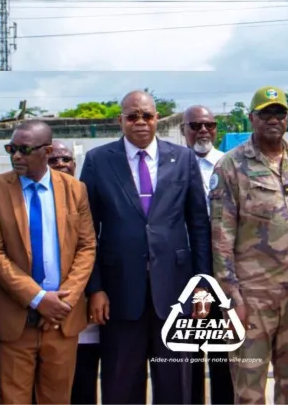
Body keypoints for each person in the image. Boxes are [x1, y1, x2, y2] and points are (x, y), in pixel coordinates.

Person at [81, 91, 211, 405]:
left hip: (177, 292)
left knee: (175, 384)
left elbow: (198, 225)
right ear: (121, 120)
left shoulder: (182, 158)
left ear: (157, 119)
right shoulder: (98, 160)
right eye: (132, 116)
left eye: (147, 116)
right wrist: (95, 288)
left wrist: (203, 287)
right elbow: (86, 231)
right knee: (121, 383)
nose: (141, 122)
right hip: (119, 293)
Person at [210, 86, 288, 404]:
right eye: (266, 113)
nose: (274, 119)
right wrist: (232, 299)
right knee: (248, 389)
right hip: (252, 297)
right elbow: (221, 238)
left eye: (280, 113)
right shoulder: (231, 166)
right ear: (252, 118)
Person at [0, 121, 96, 405]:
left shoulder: (74, 189)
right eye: (12, 149)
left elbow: (87, 246)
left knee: (57, 399)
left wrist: (63, 300)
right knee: (14, 400)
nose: (16, 156)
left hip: (62, 320)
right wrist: (38, 298)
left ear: (47, 150)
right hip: (16, 321)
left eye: (25, 150)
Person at [180, 106, 233, 405]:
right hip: (186, 275)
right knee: (187, 356)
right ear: (183, 130)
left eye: (209, 125)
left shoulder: (229, 165)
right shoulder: (171, 165)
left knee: (224, 355)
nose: (203, 131)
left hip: (224, 272)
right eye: (195, 125)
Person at [45, 141, 99, 405]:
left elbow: (94, 248)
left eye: (66, 159)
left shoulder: (87, 196)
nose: (61, 165)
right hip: (46, 312)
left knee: (84, 383)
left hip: (87, 312)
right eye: (53, 160)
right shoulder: (32, 200)